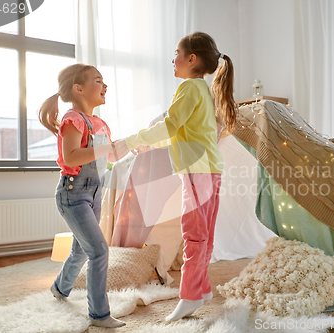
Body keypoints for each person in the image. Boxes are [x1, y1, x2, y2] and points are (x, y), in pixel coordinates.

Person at [124, 31, 238, 322]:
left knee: (194, 235)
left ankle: (190, 296)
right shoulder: (204, 90)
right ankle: (202, 288)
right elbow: (185, 132)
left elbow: (171, 125)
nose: (172, 60)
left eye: (176, 53)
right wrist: (149, 143)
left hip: (198, 172)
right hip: (209, 170)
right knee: (205, 235)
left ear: (191, 58)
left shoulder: (189, 88)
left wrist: (133, 140)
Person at [38, 64, 129, 328]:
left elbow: (109, 157)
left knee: (80, 250)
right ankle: (99, 314)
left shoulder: (101, 124)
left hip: (94, 191)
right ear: (78, 89)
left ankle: (59, 289)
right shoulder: (73, 119)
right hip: (73, 193)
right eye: (98, 81)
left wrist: (132, 145)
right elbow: (72, 156)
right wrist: (107, 149)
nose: (105, 86)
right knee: (99, 250)